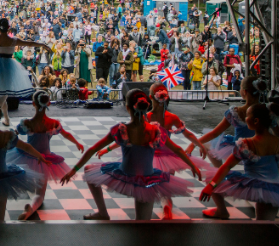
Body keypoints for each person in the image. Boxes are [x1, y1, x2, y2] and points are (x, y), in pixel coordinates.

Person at [61, 89, 201, 220]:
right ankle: (106, 215)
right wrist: (193, 166)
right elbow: (177, 149)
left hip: (124, 174)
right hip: (147, 180)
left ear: (127, 107)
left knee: (89, 169)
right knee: (142, 223)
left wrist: (72, 171)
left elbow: (92, 149)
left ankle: (103, 212)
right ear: (145, 107)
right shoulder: (155, 130)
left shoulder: (122, 130)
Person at [98, 82, 210, 219]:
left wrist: (107, 149)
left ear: (150, 97)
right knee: (163, 185)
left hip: (152, 156)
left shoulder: (147, 117)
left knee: (156, 184)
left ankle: (157, 208)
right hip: (161, 155)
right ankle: (162, 208)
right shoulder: (166, 117)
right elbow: (187, 135)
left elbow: (128, 138)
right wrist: (199, 144)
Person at [7, 91, 84, 220]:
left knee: (21, 176)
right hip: (44, 160)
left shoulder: (27, 123)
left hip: (26, 157)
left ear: (33, 103)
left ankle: (24, 198)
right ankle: (30, 209)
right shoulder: (52, 123)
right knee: (40, 195)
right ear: (48, 103)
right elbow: (65, 134)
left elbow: (15, 135)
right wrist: (76, 143)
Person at [200, 103, 279, 220]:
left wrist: (211, 186)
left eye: (247, 115)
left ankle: (221, 211)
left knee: (211, 178)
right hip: (274, 189)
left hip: (253, 185)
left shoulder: (247, 144)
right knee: (265, 223)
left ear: (255, 121)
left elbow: (226, 166)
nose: (245, 119)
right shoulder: (277, 141)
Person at [188, 77, 265, 168]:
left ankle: (219, 172)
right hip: (264, 149)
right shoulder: (267, 111)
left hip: (240, 151)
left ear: (244, 92)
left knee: (208, 143)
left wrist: (194, 143)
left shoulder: (236, 113)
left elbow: (214, 133)